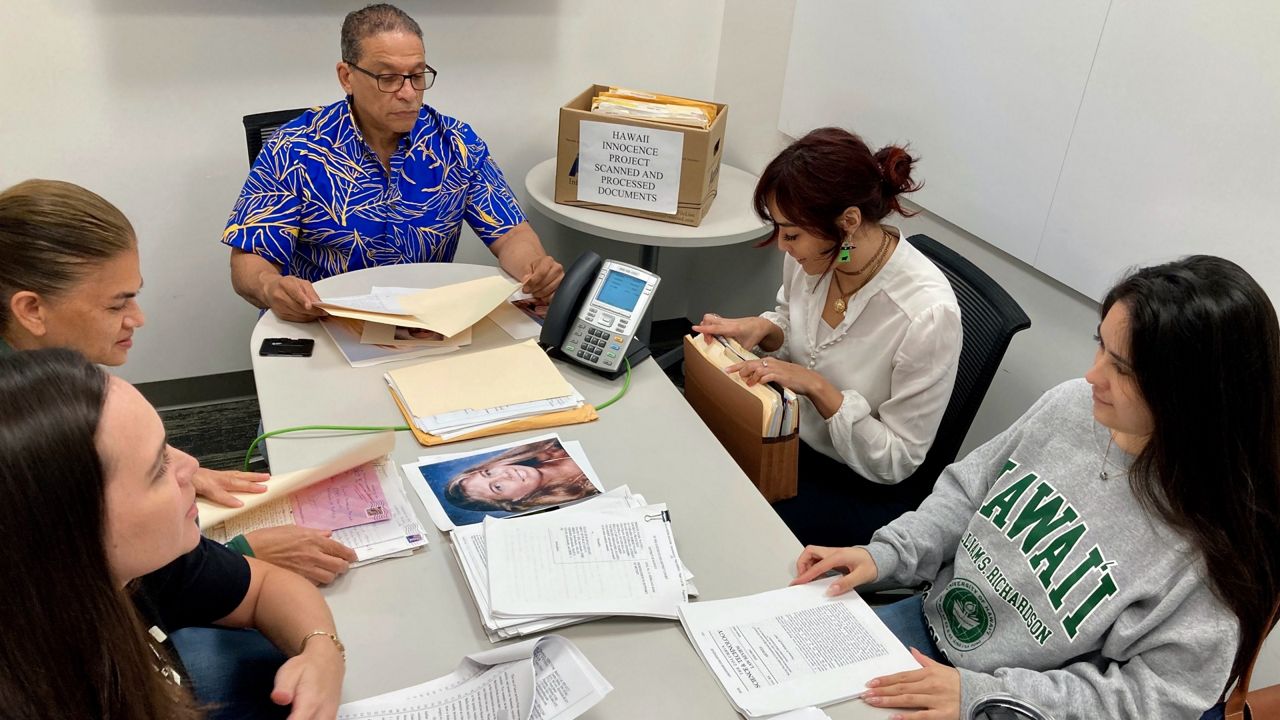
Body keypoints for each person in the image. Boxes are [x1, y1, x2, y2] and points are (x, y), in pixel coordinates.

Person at [791, 256, 1280, 719]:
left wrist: (984, 696)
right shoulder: (1071, 405)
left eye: (1123, 369)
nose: (1093, 376)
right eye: (1101, 347)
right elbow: (966, 494)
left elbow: (1149, 700)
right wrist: (886, 555)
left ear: (1195, 396)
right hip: (926, 631)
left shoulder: (1215, 548)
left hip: (1018, 705)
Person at [0, 178, 356, 584]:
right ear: (31, 310)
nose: (138, 318)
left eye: (134, 295)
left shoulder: (43, 372)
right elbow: (83, 591)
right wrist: (240, 555)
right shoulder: (23, 434)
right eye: (118, 303)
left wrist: (164, 464)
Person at [0, 348, 345, 719]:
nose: (191, 466)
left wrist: (322, 651)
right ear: (70, 528)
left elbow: (263, 585)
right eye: (157, 468)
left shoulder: (138, 563)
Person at [693, 127, 962, 547]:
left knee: (723, 519)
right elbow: (795, 324)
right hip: (786, 437)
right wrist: (765, 330)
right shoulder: (815, 261)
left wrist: (818, 388)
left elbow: (897, 460)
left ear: (848, 223)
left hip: (856, 482)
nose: (783, 245)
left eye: (793, 233)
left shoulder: (926, 316)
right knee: (698, 464)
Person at [222, 3, 563, 323]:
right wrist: (271, 287)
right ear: (347, 77)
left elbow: (511, 233)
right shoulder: (295, 148)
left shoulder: (455, 143)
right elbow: (250, 260)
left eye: (417, 76)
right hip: (326, 321)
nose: (408, 93)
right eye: (388, 78)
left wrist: (534, 269)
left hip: (423, 323)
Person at [444, 438, 596, 512]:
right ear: (514, 501)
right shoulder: (581, 494)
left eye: (488, 472)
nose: (505, 475)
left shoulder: (547, 445)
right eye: (497, 487)